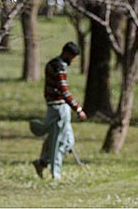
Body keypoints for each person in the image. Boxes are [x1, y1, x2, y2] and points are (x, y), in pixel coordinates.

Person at [32, 41, 87, 179]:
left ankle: (42, 162)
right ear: (67, 53)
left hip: (55, 105)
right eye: (73, 56)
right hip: (59, 107)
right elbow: (64, 91)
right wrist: (78, 109)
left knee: (67, 141)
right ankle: (55, 173)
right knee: (59, 141)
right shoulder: (59, 67)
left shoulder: (52, 63)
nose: (73, 60)